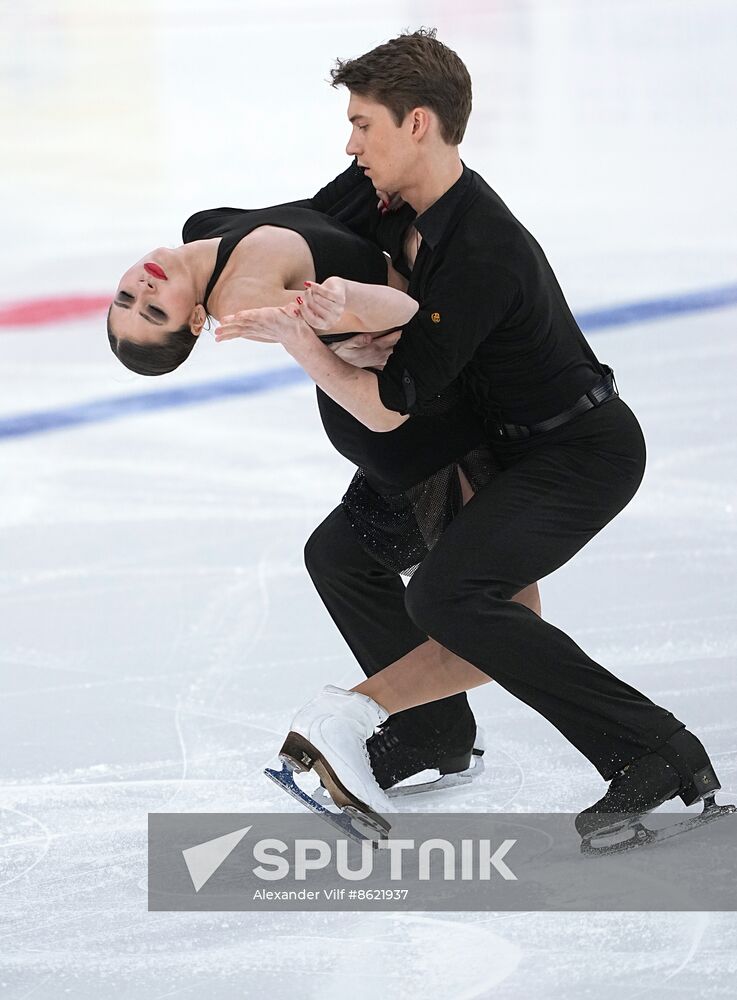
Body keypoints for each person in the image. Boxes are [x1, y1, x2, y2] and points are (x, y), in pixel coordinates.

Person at [215, 28, 725, 846]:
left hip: (574, 452)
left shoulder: (481, 248)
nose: (350, 144)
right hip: (486, 445)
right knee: (342, 556)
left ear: (417, 123)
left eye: (363, 124)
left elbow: (396, 398)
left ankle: (654, 751)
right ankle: (432, 734)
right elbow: (294, 222)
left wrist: (303, 341)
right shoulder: (374, 194)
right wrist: (204, 263)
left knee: (450, 596)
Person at [107, 194, 542, 792]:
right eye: (153, 312)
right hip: (428, 429)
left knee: (340, 560)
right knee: (490, 613)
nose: (142, 291)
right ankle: (431, 726)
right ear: (197, 322)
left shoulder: (205, 229)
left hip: (419, 426)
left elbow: (332, 210)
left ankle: (434, 728)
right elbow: (399, 319)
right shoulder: (241, 297)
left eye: (127, 299)